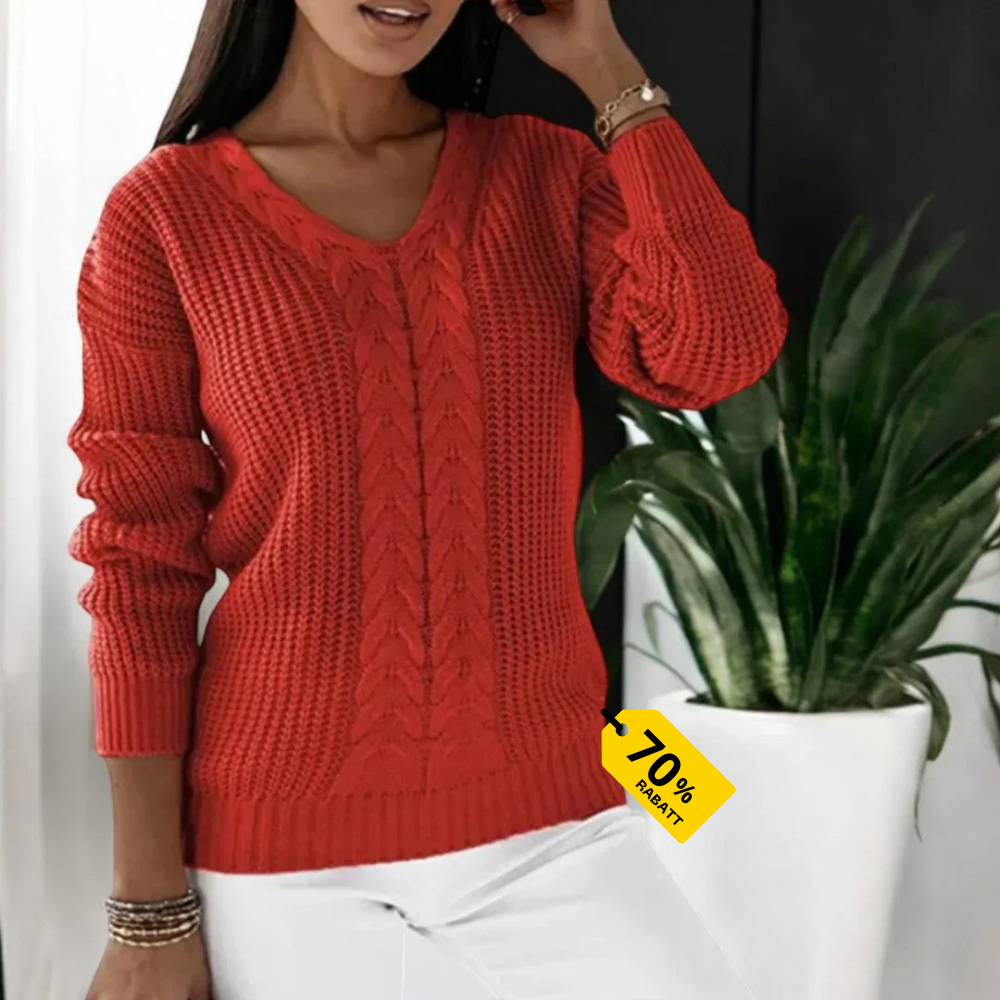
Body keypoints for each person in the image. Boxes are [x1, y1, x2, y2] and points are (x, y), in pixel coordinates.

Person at [68, 0, 787, 997]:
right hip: (285, 866)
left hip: (559, 832)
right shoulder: (164, 215)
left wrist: (606, 68)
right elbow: (139, 566)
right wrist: (149, 912)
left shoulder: (542, 174)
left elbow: (719, 349)